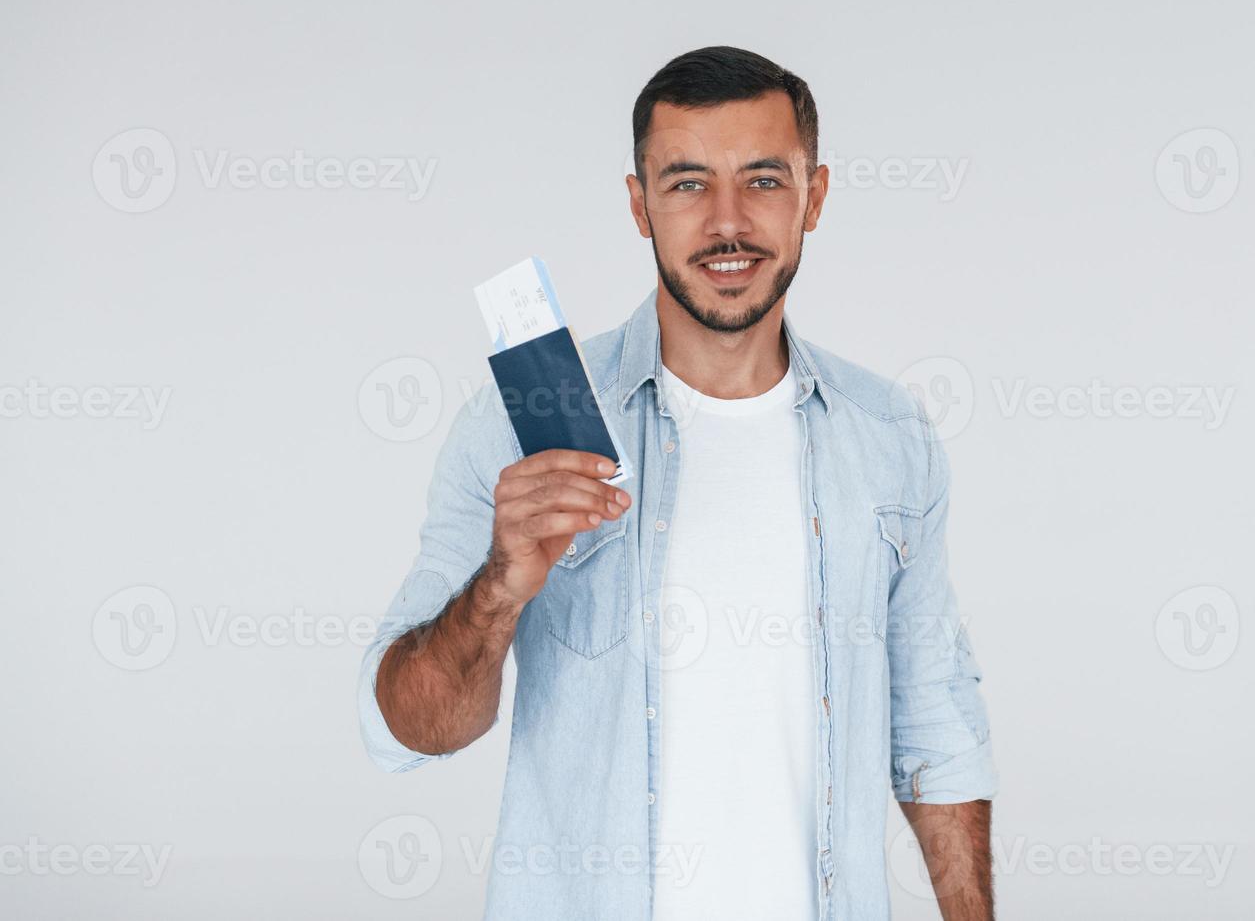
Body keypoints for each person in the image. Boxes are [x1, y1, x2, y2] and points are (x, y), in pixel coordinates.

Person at [359, 45, 998, 921]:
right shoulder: (520, 425)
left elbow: (936, 727)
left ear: (814, 197)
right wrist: (498, 591)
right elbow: (408, 730)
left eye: (764, 181)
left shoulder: (889, 438)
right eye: (688, 183)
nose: (727, 223)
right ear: (638, 204)